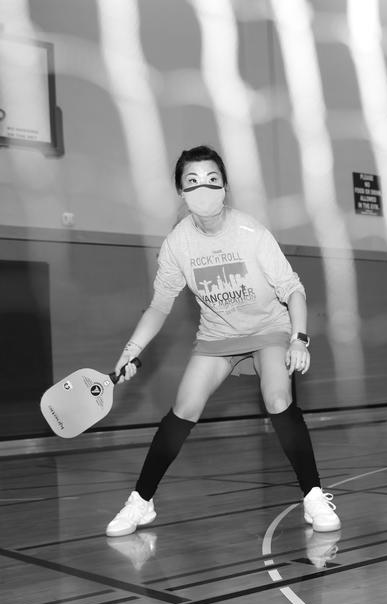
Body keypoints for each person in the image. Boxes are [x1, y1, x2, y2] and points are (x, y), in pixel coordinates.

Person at [105, 145, 340, 537]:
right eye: (192, 181)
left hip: (268, 329)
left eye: (212, 180)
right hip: (217, 336)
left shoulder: (251, 232)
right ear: (181, 192)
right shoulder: (178, 244)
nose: (204, 188)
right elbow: (159, 307)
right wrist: (131, 351)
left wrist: (299, 339)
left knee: (278, 400)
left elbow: (293, 289)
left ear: (225, 186)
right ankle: (140, 502)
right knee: (183, 409)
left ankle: (313, 494)